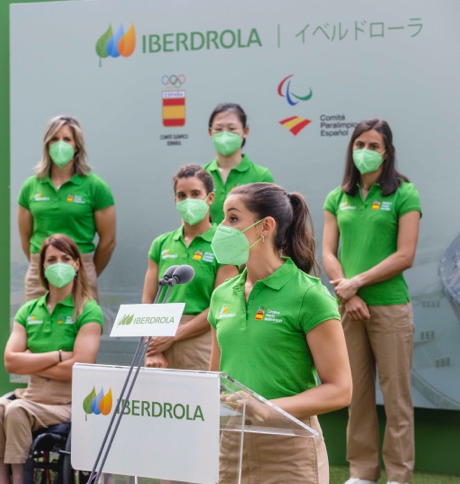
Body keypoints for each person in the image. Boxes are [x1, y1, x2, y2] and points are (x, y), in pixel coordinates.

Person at [208, 182, 352, 483]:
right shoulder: (222, 294)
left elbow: (340, 389)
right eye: (222, 218)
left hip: (290, 449)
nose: (221, 227)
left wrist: (268, 408)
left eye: (233, 218)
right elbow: (215, 381)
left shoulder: (309, 295)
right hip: (232, 447)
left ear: (266, 226)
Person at [322, 119, 421, 484]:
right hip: (349, 309)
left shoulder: (404, 193)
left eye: (373, 145)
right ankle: (362, 472)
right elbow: (328, 252)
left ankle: (398, 475)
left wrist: (356, 283)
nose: (365, 151)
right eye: (359, 143)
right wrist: (347, 294)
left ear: (387, 151)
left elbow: (405, 255)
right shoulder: (338, 197)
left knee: (397, 399)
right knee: (356, 395)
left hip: (391, 307)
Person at [0, 234, 102, 484]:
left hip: (66, 403)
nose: (59, 264)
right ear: (43, 267)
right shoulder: (28, 310)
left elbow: (80, 367)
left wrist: (33, 361)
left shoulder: (88, 309)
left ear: (77, 264)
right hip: (32, 397)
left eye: (66, 258)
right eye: (52, 259)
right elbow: (11, 362)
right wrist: (57, 356)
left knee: (15, 410)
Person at [142, 164, 237, 370]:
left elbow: (220, 305)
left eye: (195, 194)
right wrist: (152, 347)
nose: (188, 201)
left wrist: (175, 335)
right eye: (182, 195)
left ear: (210, 198)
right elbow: (148, 300)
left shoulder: (225, 243)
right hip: (158, 342)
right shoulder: (161, 244)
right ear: (175, 200)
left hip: (201, 339)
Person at [18, 115, 116, 301]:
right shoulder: (30, 186)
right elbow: (25, 237)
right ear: (46, 144)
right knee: (38, 327)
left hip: (81, 269)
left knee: (83, 325)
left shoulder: (96, 187)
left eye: (66, 139)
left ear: (77, 145)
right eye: (54, 139)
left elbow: (108, 241)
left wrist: (86, 268)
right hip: (40, 273)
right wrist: (42, 263)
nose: (60, 144)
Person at [203, 103, 274, 224]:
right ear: (210, 132)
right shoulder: (201, 176)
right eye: (219, 129)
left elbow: (269, 225)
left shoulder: (261, 176)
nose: (225, 135)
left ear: (245, 131)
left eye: (232, 129)